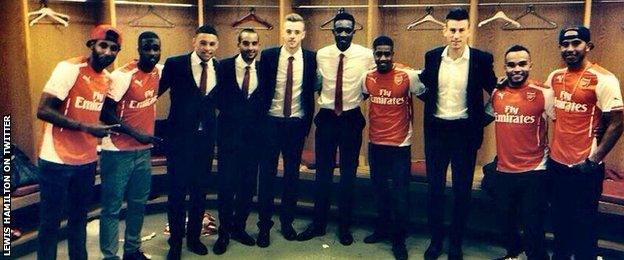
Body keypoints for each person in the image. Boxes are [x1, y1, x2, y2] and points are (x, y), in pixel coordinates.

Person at [35, 24, 121, 260]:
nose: (108, 52)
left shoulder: (106, 78)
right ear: (92, 45)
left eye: (114, 49)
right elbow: (42, 110)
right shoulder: (69, 68)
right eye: (103, 45)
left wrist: (124, 128)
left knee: (79, 219)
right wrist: (85, 127)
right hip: (56, 159)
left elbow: (98, 113)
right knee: (50, 223)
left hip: (87, 159)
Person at [418, 8, 497, 260]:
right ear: (444, 31)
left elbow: (497, 93)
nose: (456, 35)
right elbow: (421, 85)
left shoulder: (481, 59)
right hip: (437, 131)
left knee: (462, 191)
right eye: (452, 30)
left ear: (469, 31)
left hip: (465, 133)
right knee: (435, 189)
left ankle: (455, 243)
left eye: (461, 30)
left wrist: (482, 121)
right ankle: (436, 241)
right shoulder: (432, 57)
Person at [545, 26, 623, 260]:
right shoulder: (554, 77)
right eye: (565, 45)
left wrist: (594, 159)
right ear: (560, 48)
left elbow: (618, 123)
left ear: (588, 47)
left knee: (585, 227)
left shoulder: (604, 78)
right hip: (557, 165)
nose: (570, 49)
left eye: (576, 43)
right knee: (559, 224)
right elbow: (549, 108)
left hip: (585, 167)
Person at [297, 10, 375, 246]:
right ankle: (318, 224)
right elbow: (316, 82)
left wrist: (359, 98)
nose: (343, 34)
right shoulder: (322, 54)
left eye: (347, 30)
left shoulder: (366, 55)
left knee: (348, 175)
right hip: (328, 117)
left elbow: (372, 81)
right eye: (338, 29)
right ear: (332, 31)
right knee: (322, 173)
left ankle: (344, 226)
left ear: (354, 31)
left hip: (351, 117)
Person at [98, 31, 163, 260]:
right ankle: (110, 256)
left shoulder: (159, 71)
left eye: (156, 48)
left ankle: (132, 251)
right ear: (138, 50)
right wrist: (136, 134)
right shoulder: (122, 76)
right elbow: (104, 113)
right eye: (147, 48)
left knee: (138, 203)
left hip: (142, 152)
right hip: (116, 151)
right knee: (112, 207)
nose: (152, 53)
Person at [255, 13, 317, 248]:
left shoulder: (311, 59)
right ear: (283, 32)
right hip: (271, 122)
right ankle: (264, 226)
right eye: (288, 32)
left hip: (295, 125)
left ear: (303, 34)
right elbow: (261, 92)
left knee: (292, 176)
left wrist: (305, 125)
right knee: (267, 175)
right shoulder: (269, 56)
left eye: (296, 32)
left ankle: (287, 222)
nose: (292, 36)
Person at [361, 36, 426, 260]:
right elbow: (356, 98)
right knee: (380, 191)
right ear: (374, 54)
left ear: (393, 54)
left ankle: (399, 240)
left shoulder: (407, 76)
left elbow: (427, 93)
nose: (383, 58)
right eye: (378, 54)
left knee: (400, 194)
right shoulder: (367, 77)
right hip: (375, 143)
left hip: (400, 144)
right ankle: (382, 229)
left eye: (387, 54)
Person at [158, 25, 220, 259]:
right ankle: (175, 243)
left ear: (217, 46)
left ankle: (193, 239)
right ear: (194, 41)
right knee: (176, 193)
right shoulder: (175, 64)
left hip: (205, 142)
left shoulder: (220, 68)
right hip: (179, 142)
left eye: (212, 44)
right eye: (203, 43)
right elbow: (154, 92)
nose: (207, 48)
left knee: (199, 192)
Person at [485, 45, 552, 260]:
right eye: (511, 65)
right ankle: (514, 255)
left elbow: (565, 122)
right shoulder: (498, 92)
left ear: (530, 65)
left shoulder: (544, 93)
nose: (517, 69)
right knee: (506, 222)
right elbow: (485, 116)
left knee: (533, 226)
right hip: (504, 169)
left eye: (522, 64)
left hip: (534, 170)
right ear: (504, 67)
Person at [212, 28, 262, 254]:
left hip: (253, 141)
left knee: (248, 187)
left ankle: (239, 228)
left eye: (254, 44)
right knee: (226, 186)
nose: (250, 48)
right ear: (238, 44)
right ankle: (223, 233)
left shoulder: (263, 69)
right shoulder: (223, 67)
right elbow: (216, 99)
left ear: (258, 45)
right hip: (228, 139)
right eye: (246, 43)